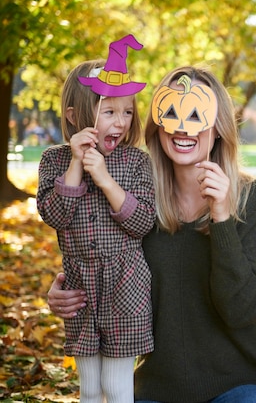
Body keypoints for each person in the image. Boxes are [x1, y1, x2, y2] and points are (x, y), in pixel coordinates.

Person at [47, 65, 256, 403]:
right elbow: (93, 251)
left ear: (217, 128)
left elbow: (241, 310)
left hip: (241, 384)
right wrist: (64, 292)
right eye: (171, 113)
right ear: (157, 127)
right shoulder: (134, 204)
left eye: (196, 115)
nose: (182, 127)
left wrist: (221, 219)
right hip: (158, 387)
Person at [37, 34, 154, 403]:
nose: (119, 122)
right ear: (75, 116)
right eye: (109, 112)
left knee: (118, 387)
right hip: (80, 284)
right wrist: (76, 165)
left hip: (126, 284)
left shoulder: (136, 162)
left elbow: (141, 222)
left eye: (127, 112)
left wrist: (103, 179)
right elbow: (56, 215)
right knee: (89, 386)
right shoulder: (54, 161)